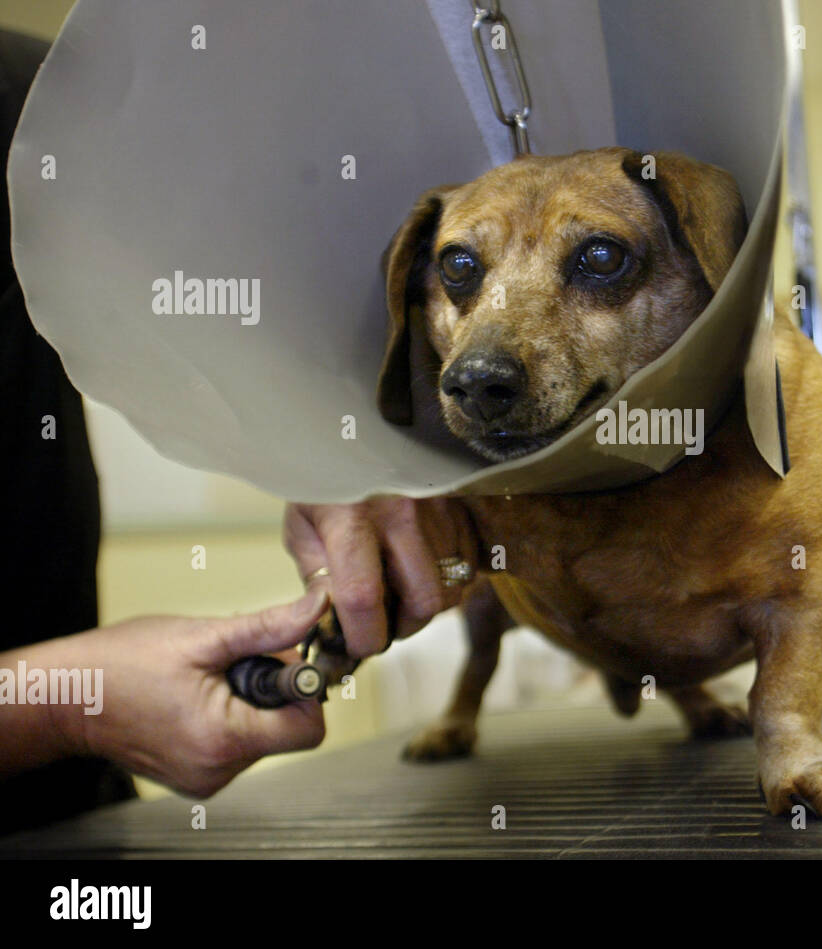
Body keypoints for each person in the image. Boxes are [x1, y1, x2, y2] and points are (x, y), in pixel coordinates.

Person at [0, 28, 477, 834]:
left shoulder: (29, 96)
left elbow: (225, 235)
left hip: (80, 823)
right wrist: (64, 700)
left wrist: (337, 436)